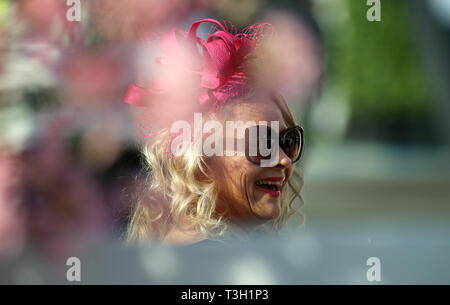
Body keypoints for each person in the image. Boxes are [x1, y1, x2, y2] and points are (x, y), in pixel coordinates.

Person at [124, 18, 305, 245]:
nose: (284, 160)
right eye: (262, 143)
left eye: (288, 141)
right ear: (201, 157)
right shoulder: (216, 264)